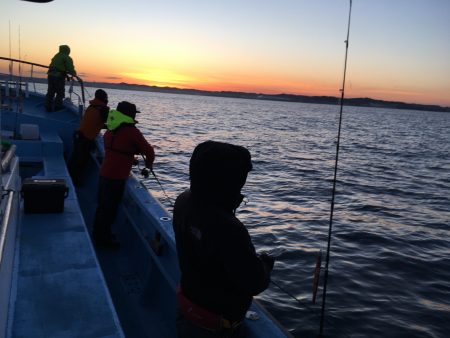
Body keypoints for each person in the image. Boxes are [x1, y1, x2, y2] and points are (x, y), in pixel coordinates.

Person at [173, 140, 275, 337]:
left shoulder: (183, 200)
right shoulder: (228, 228)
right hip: (215, 328)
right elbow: (255, 283)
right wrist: (265, 265)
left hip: (187, 311)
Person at [92, 101, 155, 249]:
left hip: (104, 174)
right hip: (116, 178)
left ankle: (99, 234)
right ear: (129, 114)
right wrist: (149, 165)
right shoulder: (132, 132)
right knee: (110, 210)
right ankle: (103, 240)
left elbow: (116, 148)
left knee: (102, 208)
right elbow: (149, 152)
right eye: (133, 113)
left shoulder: (111, 127)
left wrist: (129, 157)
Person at [68, 89, 109, 186]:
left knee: (74, 159)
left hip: (78, 135)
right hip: (85, 139)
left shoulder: (91, 106)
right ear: (104, 98)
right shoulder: (103, 109)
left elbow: (95, 121)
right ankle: (75, 183)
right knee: (81, 162)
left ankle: (69, 178)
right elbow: (109, 124)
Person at [45, 44, 76, 112]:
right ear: (68, 51)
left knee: (50, 91)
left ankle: (48, 107)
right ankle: (57, 107)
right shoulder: (66, 57)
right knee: (60, 92)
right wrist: (74, 73)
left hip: (50, 75)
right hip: (58, 77)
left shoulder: (57, 55)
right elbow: (70, 68)